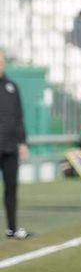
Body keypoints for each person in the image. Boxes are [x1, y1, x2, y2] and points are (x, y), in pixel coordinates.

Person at [0, 51, 30, 239]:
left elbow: (19, 117)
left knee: (11, 188)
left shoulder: (12, 87)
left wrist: (22, 142)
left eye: (1, 61)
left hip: (10, 147)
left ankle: (12, 228)